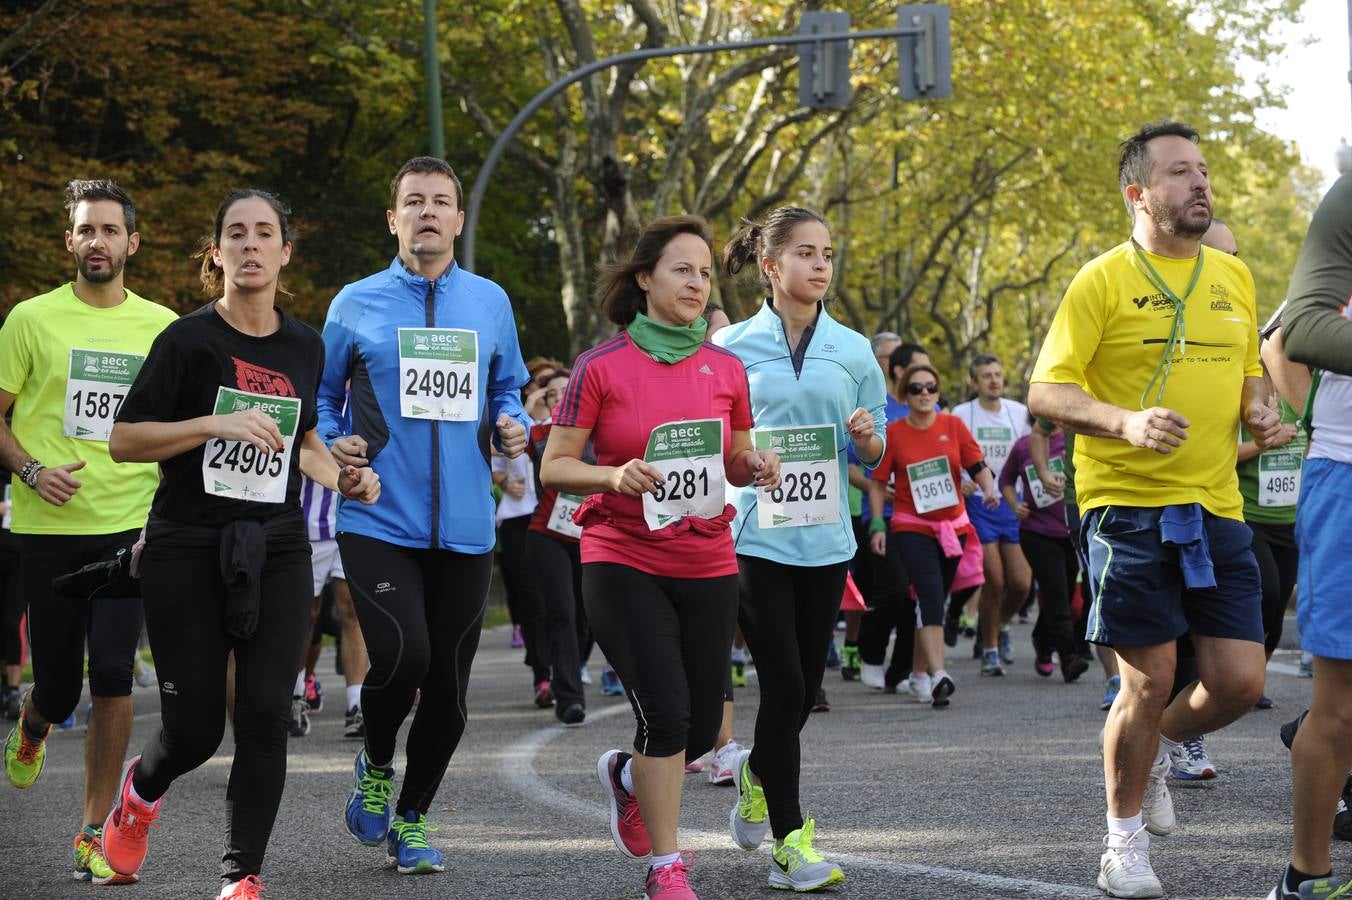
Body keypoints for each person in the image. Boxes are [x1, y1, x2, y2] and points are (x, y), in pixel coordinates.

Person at [97, 189, 380, 898]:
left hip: (276, 545)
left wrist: (343, 479)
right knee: (193, 730)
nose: (250, 246)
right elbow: (125, 439)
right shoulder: (188, 341)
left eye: (265, 234)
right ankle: (138, 795)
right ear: (217, 252)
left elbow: (305, 443)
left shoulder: (305, 345)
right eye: (236, 234)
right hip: (186, 545)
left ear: (285, 252)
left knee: (263, 713)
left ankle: (240, 875)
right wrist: (210, 425)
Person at [1027, 120, 1278, 899]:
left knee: (1239, 681)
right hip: (1126, 505)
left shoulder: (1232, 278)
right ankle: (1123, 844)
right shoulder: (1100, 279)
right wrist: (1124, 421)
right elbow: (1047, 391)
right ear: (1138, 194)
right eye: (1179, 173)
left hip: (1216, 504)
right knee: (1149, 677)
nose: (1200, 183)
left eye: (1203, 171)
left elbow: (1249, 384)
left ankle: (1161, 744)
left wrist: (1263, 413)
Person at [540, 214, 779, 900]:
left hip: (706, 556)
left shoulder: (726, 366)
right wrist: (614, 476)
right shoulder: (600, 367)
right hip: (621, 556)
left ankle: (625, 776)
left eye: (705, 272)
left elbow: (734, 454)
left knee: (703, 728)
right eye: (682, 269)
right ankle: (665, 867)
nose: (697, 283)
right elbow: (557, 466)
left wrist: (755, 462)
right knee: (668, 714)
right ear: (644, 279)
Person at [318, 156, 530, 875]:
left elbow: (508, 388)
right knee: (406, 656)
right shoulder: (356, 301)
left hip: (468, 525)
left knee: (449, 694)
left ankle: (412, 818)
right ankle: (376, 760)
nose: (428, 212)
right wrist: (336, 437)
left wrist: (510, 423)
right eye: (415, 201)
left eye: (441, 202)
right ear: (394, 218)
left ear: (459, 220)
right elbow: (318, 399)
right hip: (378, 514)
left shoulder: (490, 302)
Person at [0, 179, 177, 886]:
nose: (97, 241)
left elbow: (177, 422)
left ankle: (91, 831)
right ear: (69, 241)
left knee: (111, 674)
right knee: (58, 689)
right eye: (85, 230)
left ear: (132, 242)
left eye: (110, 230)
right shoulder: (30, 320)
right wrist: (33, 470)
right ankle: (36, 722)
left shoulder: (163, 327)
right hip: (49, 525)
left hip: (130, 525)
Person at [715, 206, 885, 890]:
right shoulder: (730, 349)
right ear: (770, 266)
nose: (821, 265)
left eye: (828, 254)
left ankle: (758, 772)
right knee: (784, 683)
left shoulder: (855, 349)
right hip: (756, 534)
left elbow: (877, 454)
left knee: (803, 687)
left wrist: (868, 435)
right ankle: (791, 841)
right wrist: (748, 457)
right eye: (807, 253)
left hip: (827, 538)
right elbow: (720, 439)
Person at [1264, 170, 1352, 899]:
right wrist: (1308, 425)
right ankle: (1307, 876)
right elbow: (1293, 335)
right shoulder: (1348, 198)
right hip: (1348, 474)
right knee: (1340, 703)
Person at [869, 363, 999, 708]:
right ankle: (940, 672)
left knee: (933, 600)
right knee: (928, 593)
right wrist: (878, 524)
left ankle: (918, 674)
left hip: (953, 527)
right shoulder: (894, 433)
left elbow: (976, 465)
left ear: (938, 393)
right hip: (911, 525)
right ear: (905, 396)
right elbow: (878, 484)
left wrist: (989, 489)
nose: (924, 393)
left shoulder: (953, 425)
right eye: (916, 389)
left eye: (930, 388)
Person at [851, 341, 931, 690]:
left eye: (931, 384)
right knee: (894, 590)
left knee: (919, 595)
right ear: (900, 373)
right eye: (918, 380)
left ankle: (901, 672)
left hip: (926, 518)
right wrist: (879, 489)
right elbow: (853, 465)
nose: (926, 388)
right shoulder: (876, 407)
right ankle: (870, 653)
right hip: (882, 514)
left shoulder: (935, 413)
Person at [952, 354, 1032, 676]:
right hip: (979, 508)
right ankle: (989, 650)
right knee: (995, 580)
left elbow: (1034, 446)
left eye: (998, 374)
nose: (994, 380)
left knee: (1022, 583)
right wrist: (961, 481)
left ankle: (997, 627)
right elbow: (948, 453)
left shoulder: (1019, 412)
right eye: (986, 376)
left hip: (1011, 504)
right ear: (975, 382)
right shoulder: (961, 414)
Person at [999, 421, 1089, 682]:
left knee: (1066, 593)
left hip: (1070, 531)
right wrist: (1015, 504)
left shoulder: (1074, 441)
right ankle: (1069, 658)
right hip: (1036, 533)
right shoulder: (1024, 445)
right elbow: (1005, 479)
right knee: (1057, 594)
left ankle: (1041, 639)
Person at [524, 369, 588, 725]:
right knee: (562, 610)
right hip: (546, 536)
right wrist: (533, 405)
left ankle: (571, 673)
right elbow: (497, 445)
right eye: (553, 395)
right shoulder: (541, 435)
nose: (562, 398)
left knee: (585, 617)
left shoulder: (597, 432)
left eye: (568, 391)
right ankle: (569, 696)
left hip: (590, 536)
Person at [299, 474, 370, 738]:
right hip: (307, 523)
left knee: (352, 610)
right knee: (306, 614)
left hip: (352, 521)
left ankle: (356, 703)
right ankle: (296, 695)